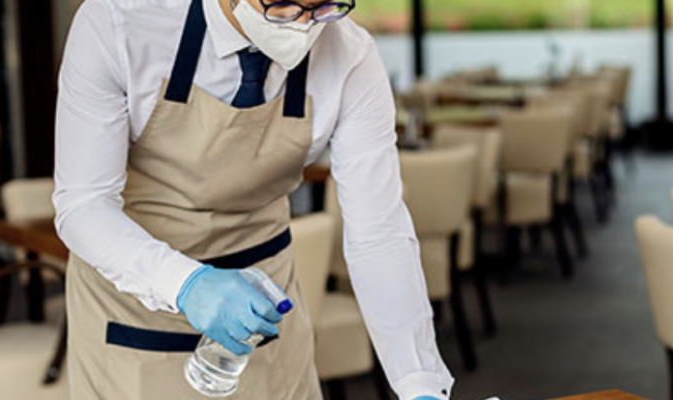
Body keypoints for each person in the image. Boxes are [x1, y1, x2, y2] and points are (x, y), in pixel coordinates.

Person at [54, 0, 453, 398]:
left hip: (266, 316)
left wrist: (418, 381)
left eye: (324, 8)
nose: (302, 27)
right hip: (130, 312)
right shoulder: (119, 22)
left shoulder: (350, 56)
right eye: (281, 6)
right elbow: (83, 206)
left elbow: (377, 234)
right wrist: (187, 283)